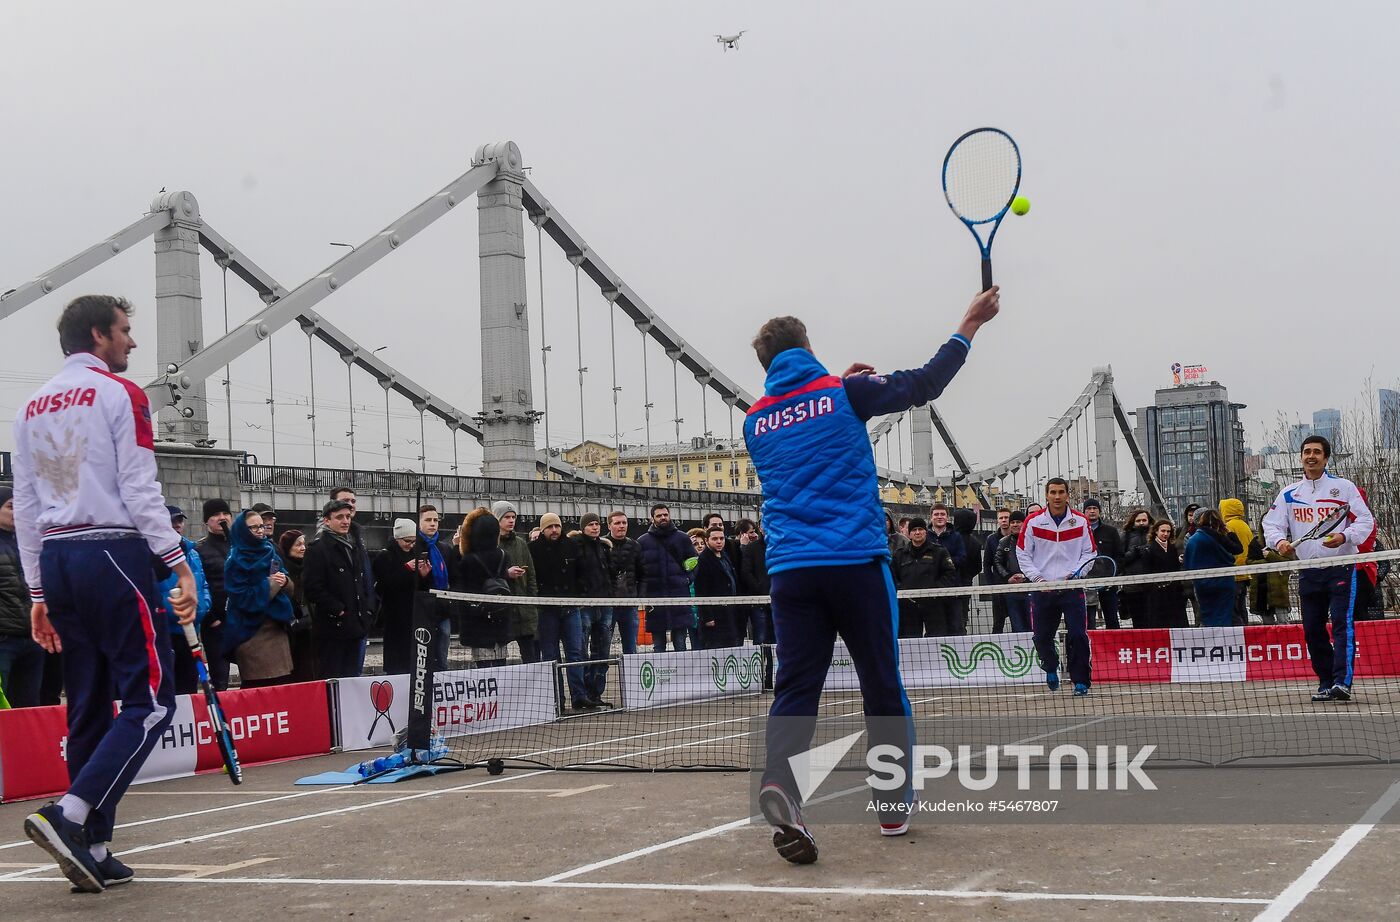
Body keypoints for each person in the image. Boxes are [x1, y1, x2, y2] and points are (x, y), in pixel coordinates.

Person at [745, 287, 999, 862]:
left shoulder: (754, 422)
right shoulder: (844, 393)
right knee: (882, 684)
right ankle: (891, 806)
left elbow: (801, 424)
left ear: (766, 364)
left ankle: (780, 784)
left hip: (791, 572)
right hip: (856, 564)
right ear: (807, 346)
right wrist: (969, 323)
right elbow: (924, 383)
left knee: (796, 688)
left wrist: (837, 384)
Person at [12, 293, 198, 892]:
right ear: (99, 335)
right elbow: (140, 485)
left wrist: (38, 590)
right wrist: (177, 564)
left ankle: (92, 848)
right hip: (112, 552)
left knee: (87, 705)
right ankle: (68, 816)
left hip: (60, 558)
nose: (132, 343)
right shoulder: (124, 394)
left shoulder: (29, 406)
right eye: (125, 332)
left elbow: (26, 510)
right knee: (153, 701)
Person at [1262, 434, 1376, 701]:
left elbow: (1365, 521)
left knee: (1341, 624)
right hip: (1308, 570)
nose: (1311, 456)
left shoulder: (1344, 488)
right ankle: (1325, 682)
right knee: (1312, 629)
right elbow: (1272, 524)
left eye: (1316, 452)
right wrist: (1279, 542)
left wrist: (1345, 537)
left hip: (1341, 567)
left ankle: (1341, 682)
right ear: (1301, 457)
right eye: (1306, 452)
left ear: (1326, 458)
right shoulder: (1289, 493)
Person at [1016, 478, 1097, 696]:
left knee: (1078, 635)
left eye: (1061, 492)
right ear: (1047, 495)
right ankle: (1050, 666)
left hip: (1071, 588)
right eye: (1053, 492)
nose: (1057, 496)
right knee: (1041, 637)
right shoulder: (1033, 522)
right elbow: (1023, 553)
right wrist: (1038, 580)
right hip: (1043, 590)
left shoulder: (1080, 521)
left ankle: (1081, 681)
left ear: (1068, 495)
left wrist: (1077, 574)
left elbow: (1090, 553)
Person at [302, 499, 374, 679]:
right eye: (339, 517)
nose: (346, 521)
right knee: (332, 678)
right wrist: (339, 610)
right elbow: (312, 588)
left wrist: (368, 610)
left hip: (355, 626)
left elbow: (362, 582)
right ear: (327, 520)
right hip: (333, 629)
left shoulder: (353, 547)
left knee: (352, 678)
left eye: (348, 516)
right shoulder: (317, 550)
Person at [222, 510, 294, 688]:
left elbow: (289, 587)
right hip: (252, 633)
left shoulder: (270, 553)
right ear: (243, 530)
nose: (260, 530)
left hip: (277, 629)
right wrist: (271, 584)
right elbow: (242, 598)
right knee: (259, 690)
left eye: (261, 526)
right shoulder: (235, 560)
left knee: (281, 687)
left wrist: (284, 582)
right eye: (253, 527)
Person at [529, 513, 590, 710]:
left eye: (557, 526)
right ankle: (556, 699)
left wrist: (578, 595)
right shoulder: (534, 549)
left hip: (571, 607)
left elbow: (581, 572)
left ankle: (579, 696)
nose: (554, 530)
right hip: (547, 610)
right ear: (543, 529)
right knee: (550, 655)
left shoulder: (571, 546)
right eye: (550, 527)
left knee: (576, 652)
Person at [157, 506, 211, 696]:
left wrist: (203, 606)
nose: (178, 524)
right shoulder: (154, 555)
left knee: (189, 689)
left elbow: (203, 586)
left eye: (180, 520)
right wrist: (178, 610)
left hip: (192, 632)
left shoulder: (193, 553)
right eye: (173, 520)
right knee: (167, 690)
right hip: (166, 634)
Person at [1, 486, 47, 708]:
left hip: (32, 638)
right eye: (10, 506)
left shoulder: (29, 545)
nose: (17, 512)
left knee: (28, 707)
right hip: (4, 640)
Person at [455, 508, 513, 668]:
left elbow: (462, 588)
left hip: (478, 620)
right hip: (500, 617)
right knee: (502, 667)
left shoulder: (468, 560)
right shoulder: (503, 555)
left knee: (484, 670)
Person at [638, 503, 697, 653]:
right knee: (658, 647)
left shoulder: (683, 538)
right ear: (652, 519)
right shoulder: (643, 541)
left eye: (665, 514)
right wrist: (644, 591)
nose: (663, 517)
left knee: (680, 645)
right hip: (655, 598)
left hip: (679, 597)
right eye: (659, 515)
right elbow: (639, 569)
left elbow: (694, 562)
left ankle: (682, 676)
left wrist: (687, 579)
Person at [373, 518, 428, 676]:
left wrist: (423, 575)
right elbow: (385, 585)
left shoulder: (415, 554)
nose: (411, 545)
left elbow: (420, 588)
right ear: (397, 538)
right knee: (396, 662)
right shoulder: (384, 557)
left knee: (413, 660)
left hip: (413, 614)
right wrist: (406, 569)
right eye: (407, 541)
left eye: (414, 541)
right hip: (394, 616)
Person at [892, 517, 957, 637]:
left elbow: (949, 574)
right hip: (908, 607)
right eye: (914, 530)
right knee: (910, 643)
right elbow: (893, 578)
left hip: (934, 606)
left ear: (925, 532)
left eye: (920, 529)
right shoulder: (899, 554)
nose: (917, 532)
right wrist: (903, 592)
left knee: (936, 642)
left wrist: (934, 591)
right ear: (909, 534)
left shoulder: (940, 552)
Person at [574, 512, 614, 704]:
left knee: (602, 650)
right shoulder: (576, 546)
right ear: (583, 527)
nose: (595, 527)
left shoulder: (605, 547)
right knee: (582, 650)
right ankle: (582, 694)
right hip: (584, 604)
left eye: (597, 524)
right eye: (590, 524)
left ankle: (596, 692)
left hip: (605, 603)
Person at [492, 501, 539, 662]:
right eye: (506, 517)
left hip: (524, 610)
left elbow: (531, 574)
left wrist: (532, 602)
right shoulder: (491, 544)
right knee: (500, 659)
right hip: (501, 610)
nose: (511, 520)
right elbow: (486, 574)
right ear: (497, 520)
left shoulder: (521, 543)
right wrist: (506, 574)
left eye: (513, 517)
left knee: (530, 657)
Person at [417, 505, 460, 671]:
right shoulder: (415, 547)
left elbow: (455, 576)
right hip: (422, 609)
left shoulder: (444, 548)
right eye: (428, 520)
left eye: (435, 520)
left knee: (442, 655)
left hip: (443, 608)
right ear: (419, 523)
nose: (433, 524)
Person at [196, 498, 234, 689]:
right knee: (221, 678)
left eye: (225, 514)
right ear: (207, 521)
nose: (222, 518)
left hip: (243, 618)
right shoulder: (199, 549)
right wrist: (210, 618)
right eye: (215, 515)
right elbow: (198, 585)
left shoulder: (241, 545)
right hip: (216, 623)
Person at [1184, 508, 1242, 628]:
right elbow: (1237, 550)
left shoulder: (1193, 540)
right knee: (1227, 616)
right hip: (1225, 582)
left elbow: (1188, 564)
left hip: (1202, 585)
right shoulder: (1224, 537)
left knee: (1207, 617)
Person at [693, 525, 742, 648]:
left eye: (721, 538)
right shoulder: (703, 560)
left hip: (730, 612)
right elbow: (701, 590)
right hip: (715, 616)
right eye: (715, 539)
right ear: (707, 540)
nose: (719, 541)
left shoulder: (725, 557)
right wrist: (708, 617)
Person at [277, 530, 315, 682]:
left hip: (310, 629)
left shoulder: (310, 568)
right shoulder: (283, 570)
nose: (303, 548)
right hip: (290, 631)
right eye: (298, 544)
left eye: (303, 544)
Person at [605, 511, 644, 656]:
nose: (622, 526)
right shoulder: (602, 545)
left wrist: (639, 595)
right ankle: (599, 678)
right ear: (609, 526)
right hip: (608, 605)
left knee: (631, 649)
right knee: (603, 647)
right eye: (617, 523)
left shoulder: (635, 546)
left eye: (624, 523)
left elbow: (642, 574)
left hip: (629, 604)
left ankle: (631, 679)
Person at [1081, 498, 1122, 629]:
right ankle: (1089, 648)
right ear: (1084, 512)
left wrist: (1113, 575)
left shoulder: (1111, 531)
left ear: (1099, 511)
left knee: (1112, 619)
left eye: (1095, 508)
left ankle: (1115, 647)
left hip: (1108, 583)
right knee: (1089, 622)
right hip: (1086, 584)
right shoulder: (1079, 531)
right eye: (1089, 509)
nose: (1092, 511)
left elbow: (1119, 555)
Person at [1141, 521, 1188, 629]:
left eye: (1168, 531)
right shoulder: (1148, 549)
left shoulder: (1172, 548)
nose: (1166, 534)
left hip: (1174, 594)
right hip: (1157, 596)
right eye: (1163, 531)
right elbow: (1146, 573)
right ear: (1156, 531)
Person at [1219, 498, 1255, 626]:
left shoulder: (1229, 526)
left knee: (1233, 608)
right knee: (1241, 606)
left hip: (1235, 573)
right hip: (1245, 572)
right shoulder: (1244, 525)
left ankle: (1239, 631)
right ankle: (1246, 630)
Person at [1249, 517, 1289, 625]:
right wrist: (1265, 563)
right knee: (1268, 626)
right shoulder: (1255, 543)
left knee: (1283, 623)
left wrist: (1271, 556)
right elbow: (1249, 563)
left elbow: (1289, 562)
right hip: (1261, 591)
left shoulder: (1284, 544)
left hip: (1279, 591)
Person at [736, 519, 770, 644]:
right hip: (759, 602)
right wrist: (760, 590)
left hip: (779, 600)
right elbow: (746, 573)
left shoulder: (782, 547)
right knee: (761, 638)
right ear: (761, 529)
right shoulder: (751, 548)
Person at [1117, 509, 1153, 627]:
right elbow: (1120, 559)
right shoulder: (1125, 536)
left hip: (1152, 585)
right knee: (1138, 621)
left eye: (1144, 520)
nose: (1141, 523)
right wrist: (1134, 553)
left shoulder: (1155, 534)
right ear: (1133, 522)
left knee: (1154, 620)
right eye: (1138, 520)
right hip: (1132, 587)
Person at [983, 508, 1014, 633]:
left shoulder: (1019, 537)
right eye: (1001, 518)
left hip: (1016, 587)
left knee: (1017, 622)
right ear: (998, 521)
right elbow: (987, 565)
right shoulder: (991, 539)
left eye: (1006, 517)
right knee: (998, 623)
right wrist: (992, 586)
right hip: (998, 588)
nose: (1004, 520)